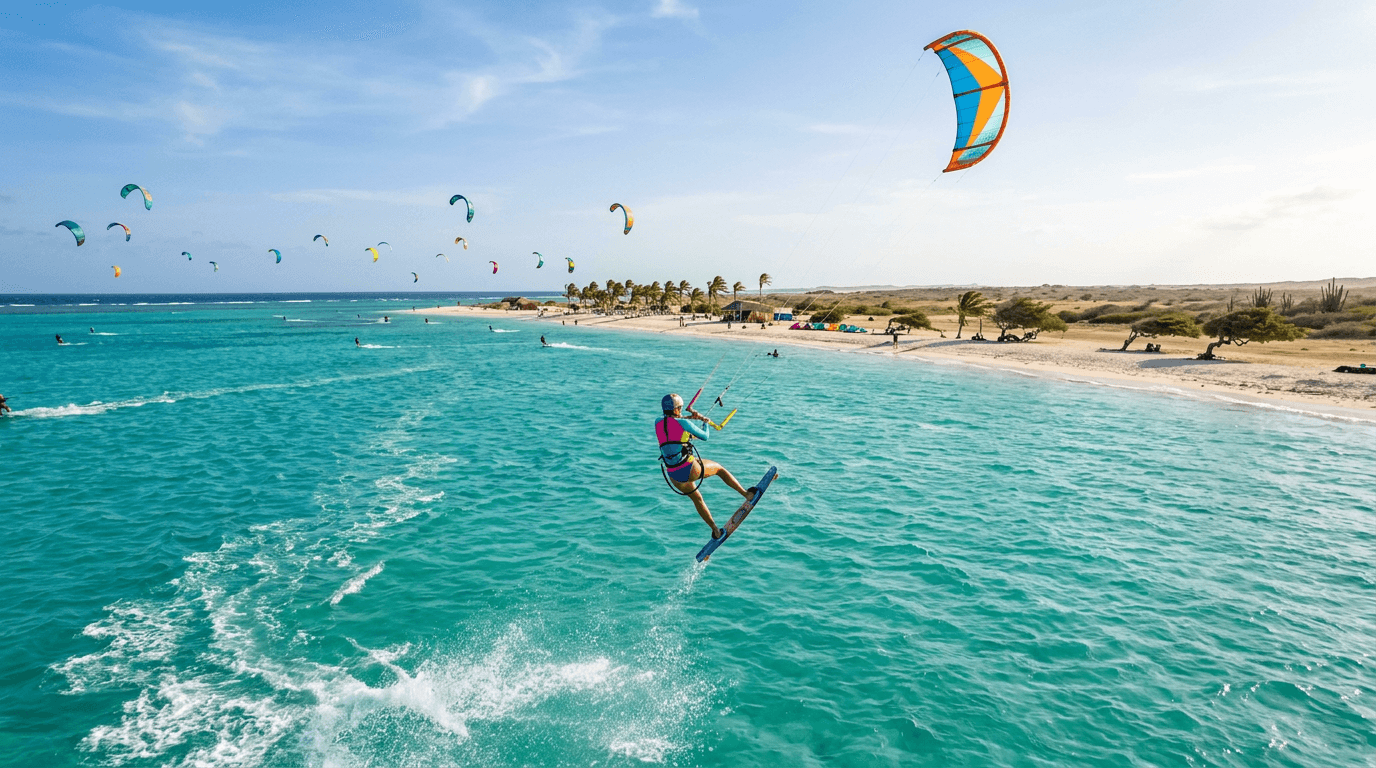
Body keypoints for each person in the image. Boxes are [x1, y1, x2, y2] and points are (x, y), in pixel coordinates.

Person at [655, 393, 753, 540]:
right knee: (720, 469)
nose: (681, 411)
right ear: (676, 410)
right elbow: (704, 436)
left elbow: (674, 425)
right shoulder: (684, 424)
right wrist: (705, 422)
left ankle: (715, 530)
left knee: (697, 499)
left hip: (673, 476)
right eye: (680, 408)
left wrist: (691, 418)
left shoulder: (657, 422)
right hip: (689, 469)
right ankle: (747, 494)